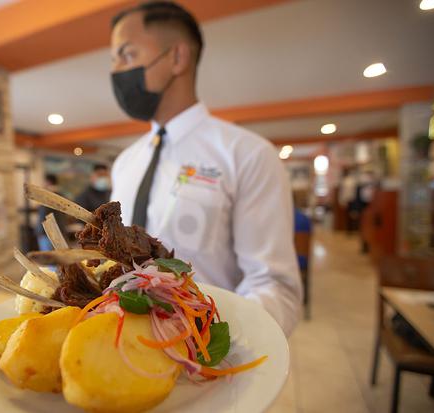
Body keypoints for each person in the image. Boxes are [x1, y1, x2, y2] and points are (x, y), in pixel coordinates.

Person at [108, 1, 301, 336]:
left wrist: (204, 337)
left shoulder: (247, 154)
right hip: (121, 346)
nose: (116, 70)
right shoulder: (126, 163)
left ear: (177, 58)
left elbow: (274, 286)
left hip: (206, 357)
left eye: (127, 54)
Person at [36, 173, 66, 251]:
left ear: (48, 182)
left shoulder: (47, 196)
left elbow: (43, 215)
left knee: (50, 258)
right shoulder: (61, 195)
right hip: (60, 230)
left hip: (47, 232)